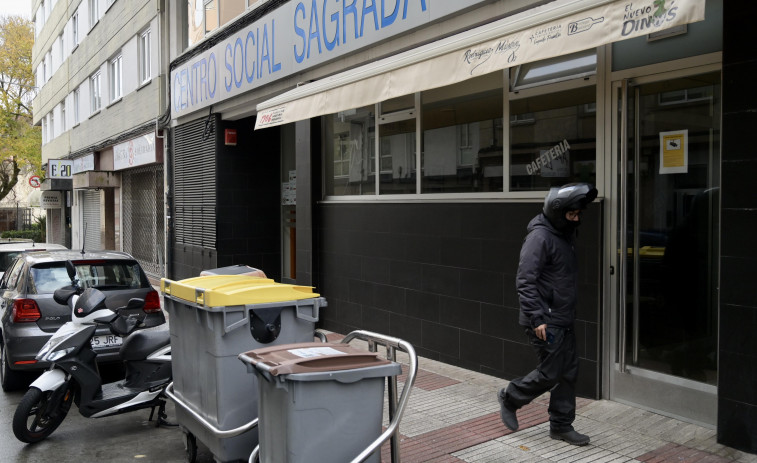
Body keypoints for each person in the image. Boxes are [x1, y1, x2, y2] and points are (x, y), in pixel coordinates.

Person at [497, 182, 597, 446]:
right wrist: (537, 317)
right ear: (557, 211)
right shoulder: (539, 237)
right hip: (544, 320)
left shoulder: (563, 235)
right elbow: (525, 280)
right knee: (551, 373)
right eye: (571, 214)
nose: (576, 219)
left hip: (562, 318)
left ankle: (561, 426)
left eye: (578, 214)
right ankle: (511, 396)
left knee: (568, 372)